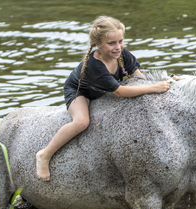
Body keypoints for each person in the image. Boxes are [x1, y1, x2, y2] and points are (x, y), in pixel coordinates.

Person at [36, 16, 171, 181]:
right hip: (81, 92)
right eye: (111, 43)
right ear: (98, 44)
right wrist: (153, 88)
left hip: (103, 90)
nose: (117, 47)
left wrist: (163, 82)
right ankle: (45, 154)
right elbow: (120, 92)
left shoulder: (122, 54)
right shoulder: (95, 65)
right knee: (81, 122)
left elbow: (139, 78)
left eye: (120, 41)